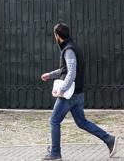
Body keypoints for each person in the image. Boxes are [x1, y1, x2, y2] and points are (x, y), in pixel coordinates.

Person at [40, 23, 118, 160]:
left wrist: (62, 89)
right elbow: (65, 70)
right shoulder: (73, 47)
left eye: (55, 35)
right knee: (81, 122)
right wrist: (50, 75)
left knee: (54, 121)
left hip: (69, 94)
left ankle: (55, 153)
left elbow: (71, 72)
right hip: (78, 94)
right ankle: (109, 140)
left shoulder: (69, 50)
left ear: (57, 36)